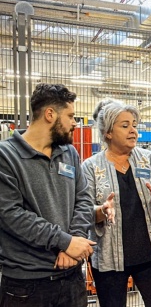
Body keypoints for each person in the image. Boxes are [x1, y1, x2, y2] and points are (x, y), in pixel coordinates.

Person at [0, 83, 95, 307]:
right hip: (27, 286)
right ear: (50, 114)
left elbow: (83, 199)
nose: (74, 123)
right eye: (71, 116)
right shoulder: (6, 156)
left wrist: (74, 242)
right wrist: (64, 241)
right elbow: (11, 215)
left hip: (72, 279)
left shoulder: (69, 152)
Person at [82, 99, 151, 307]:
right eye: (125, 126)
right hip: (110, 261)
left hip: (150, 254)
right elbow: (82, 210)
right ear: (107, 132)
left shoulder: (148, 158)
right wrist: (100, 212)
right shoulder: (90, 167)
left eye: (134, 124)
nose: (133, 130)